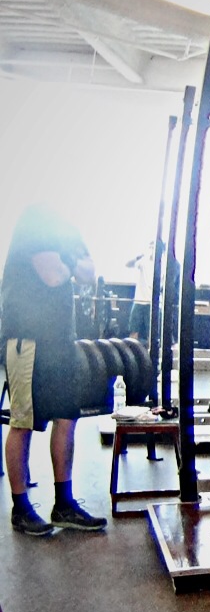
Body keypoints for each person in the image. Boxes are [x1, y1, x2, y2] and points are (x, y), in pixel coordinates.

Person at [2, 203, 107, 536]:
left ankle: (64, 504)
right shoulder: (33, 221)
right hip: (27, 340)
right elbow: (53, 275)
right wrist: (71, 264)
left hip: (61, 342)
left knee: (66, 418)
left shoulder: (68, 229)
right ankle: (21, 509)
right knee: (24, 422)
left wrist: (70, 262)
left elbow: (88, 272)